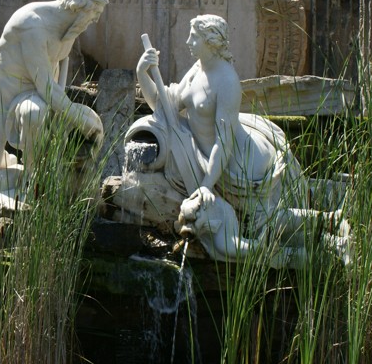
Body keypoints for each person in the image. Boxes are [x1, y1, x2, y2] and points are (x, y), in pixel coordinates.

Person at [135, 14, 349, 264]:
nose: (188, 42)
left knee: (264, 223)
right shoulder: (196, 71)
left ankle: (332, 224)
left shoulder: (227, 81)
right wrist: (142, 72)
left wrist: (206, 185)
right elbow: (164, 107)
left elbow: (224, 142)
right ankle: (328, 239)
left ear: (210, 41)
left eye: (194, 37)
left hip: (239, 165)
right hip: (207, 158)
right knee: (259, 228)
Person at [0, 0, 107, 172]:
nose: (95, 20)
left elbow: (57, 70)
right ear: (79, 8)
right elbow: (45, 85)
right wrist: (78, 118)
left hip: (37, 94)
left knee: (34, 114)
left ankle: (33, 176)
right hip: (5, 89)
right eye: (95, 13)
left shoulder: (71, 27)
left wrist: (61, 113)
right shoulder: (31, 24)